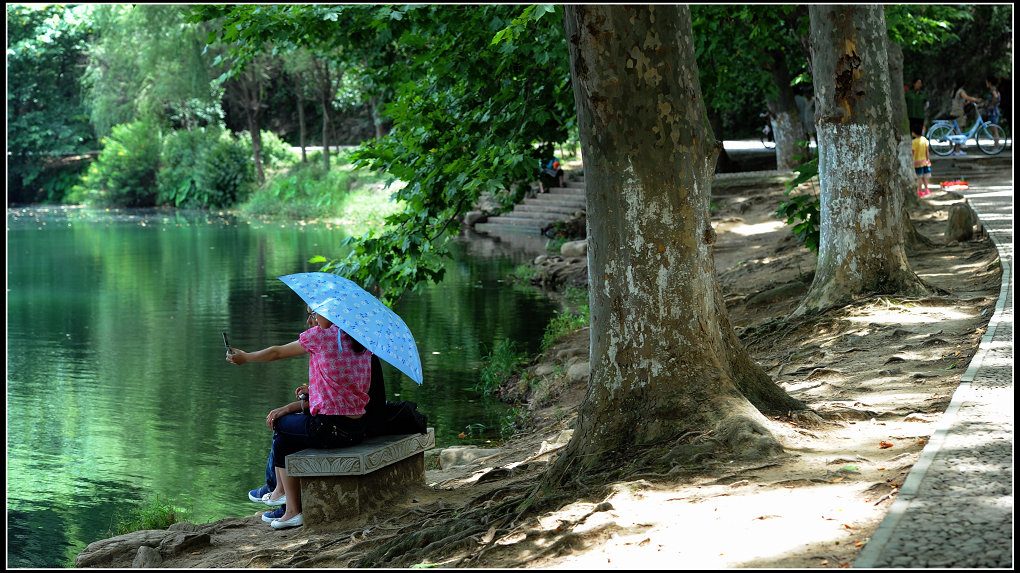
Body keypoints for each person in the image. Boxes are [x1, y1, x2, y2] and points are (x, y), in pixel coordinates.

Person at [227, 307, 373, 529]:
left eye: (314, 313)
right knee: (285, 441)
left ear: (330, 313)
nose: (311, 319)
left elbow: (276, 352)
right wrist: (311, 393)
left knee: (280, 423)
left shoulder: (322, 337)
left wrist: (246, 357)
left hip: (329, 428)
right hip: (357, 427)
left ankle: (278, 491)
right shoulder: (362, 341)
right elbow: (346, 387)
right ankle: (292, 511)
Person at [949, 82, 983, 155]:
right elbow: (967, 97)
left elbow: (958, 102)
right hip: (959, 112)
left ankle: (951, 149)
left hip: (953, 112)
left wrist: (966, 103)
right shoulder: (961, 91)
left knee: (953, 130)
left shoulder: (954, 91)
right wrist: (976, 100)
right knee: (959, 131)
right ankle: (957, 150)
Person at [911, 126, 932, 197]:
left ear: (914, 133)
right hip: (924, 161)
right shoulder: (924, 140)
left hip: (917, 162)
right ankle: (927, 189)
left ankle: (919, 190)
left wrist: (911, 160)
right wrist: (928, 159)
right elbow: (927, 151)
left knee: (919, 177)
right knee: (925, 176)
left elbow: (913, 153)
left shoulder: (914, 142)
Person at [982, 76, 1002, 147]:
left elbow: (995, 97)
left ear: (989, 83)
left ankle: (997, 146)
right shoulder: (996, 90)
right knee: (993, 129)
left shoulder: (993, 90)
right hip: (993, 111)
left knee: (994, 129)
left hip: (993, 112)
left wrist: (992, 105)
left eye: (987, 82)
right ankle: (996, 145)